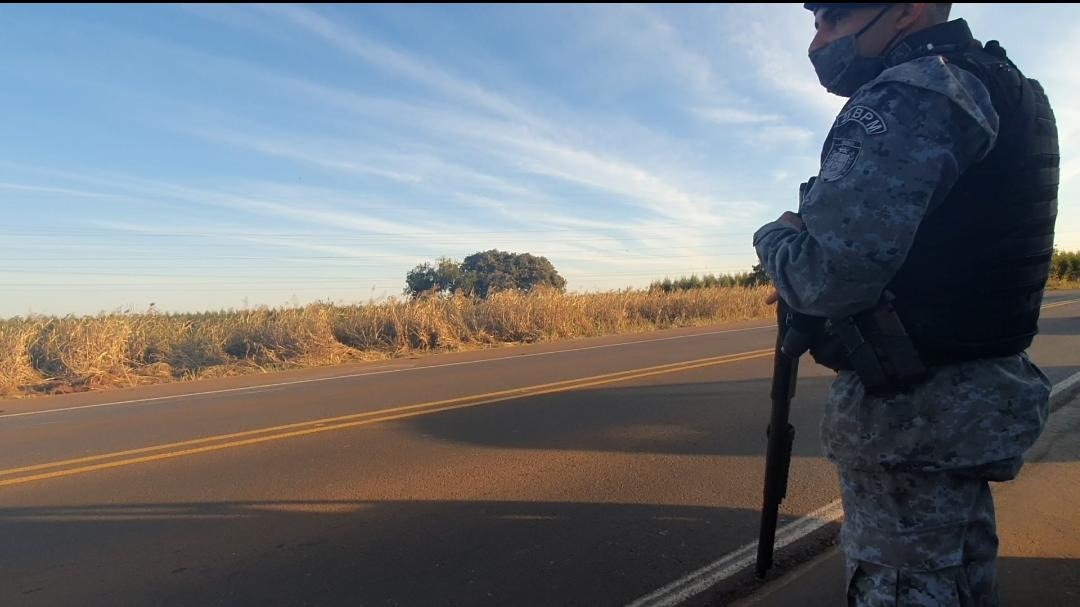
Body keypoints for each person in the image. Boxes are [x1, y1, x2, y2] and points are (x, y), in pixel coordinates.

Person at [753, 3, 1059, 605]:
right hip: (967, 405)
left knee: (903, 584)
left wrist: (776, 236)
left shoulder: (911, 91)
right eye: (815, 23)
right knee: (959, 576)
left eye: (836, 18)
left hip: (912, 418)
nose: (819, 40)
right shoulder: (1005, 84)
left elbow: (825, 276)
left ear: (908, 11)